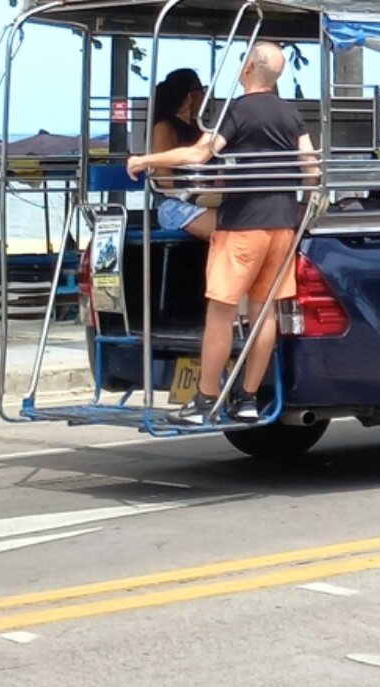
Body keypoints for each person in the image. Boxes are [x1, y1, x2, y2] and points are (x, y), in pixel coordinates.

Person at [129, 41, 319, 425]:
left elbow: (199, 154)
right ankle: (247, 399)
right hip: (282, 225)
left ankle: (205, 400)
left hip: (242, 226)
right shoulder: (291, 114)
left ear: (248, 68)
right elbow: (312, 169)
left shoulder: (237, 111)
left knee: (220, 312)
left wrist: (145, 159)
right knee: (264, 313)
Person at [148, 69, 217, 243]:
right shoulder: (164, 128)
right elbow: (163, 178)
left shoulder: (202, 130)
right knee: (230, 231)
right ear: (190, 96)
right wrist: (197, 192)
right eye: (202, 90)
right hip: (175, 204)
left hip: (208, 199)